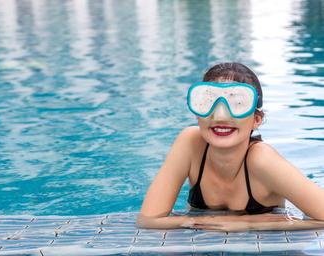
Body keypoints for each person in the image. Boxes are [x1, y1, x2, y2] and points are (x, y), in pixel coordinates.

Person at [137, 62, 324, 231]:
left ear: (256, 120)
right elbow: (148, 219)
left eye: (238, 104)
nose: (220, 117)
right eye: (209, 103)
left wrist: (247, 224)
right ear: (197, 115)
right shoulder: (190, 142)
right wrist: (197, 222)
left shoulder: (262, 160)